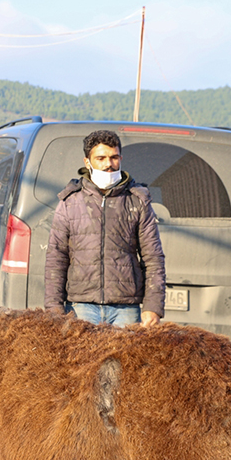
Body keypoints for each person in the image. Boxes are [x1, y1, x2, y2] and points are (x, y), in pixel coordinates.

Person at [44, 129, 165, 327]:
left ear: (121, 158)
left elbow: (153, 257)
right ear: (87, 162)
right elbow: (56, 259)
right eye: (101, 158)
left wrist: (153, 306)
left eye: (114, 157)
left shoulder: (137, 201)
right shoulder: (70, 202)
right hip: (80, 308)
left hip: (126, 310)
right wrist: (54, 308)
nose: (109, 164)